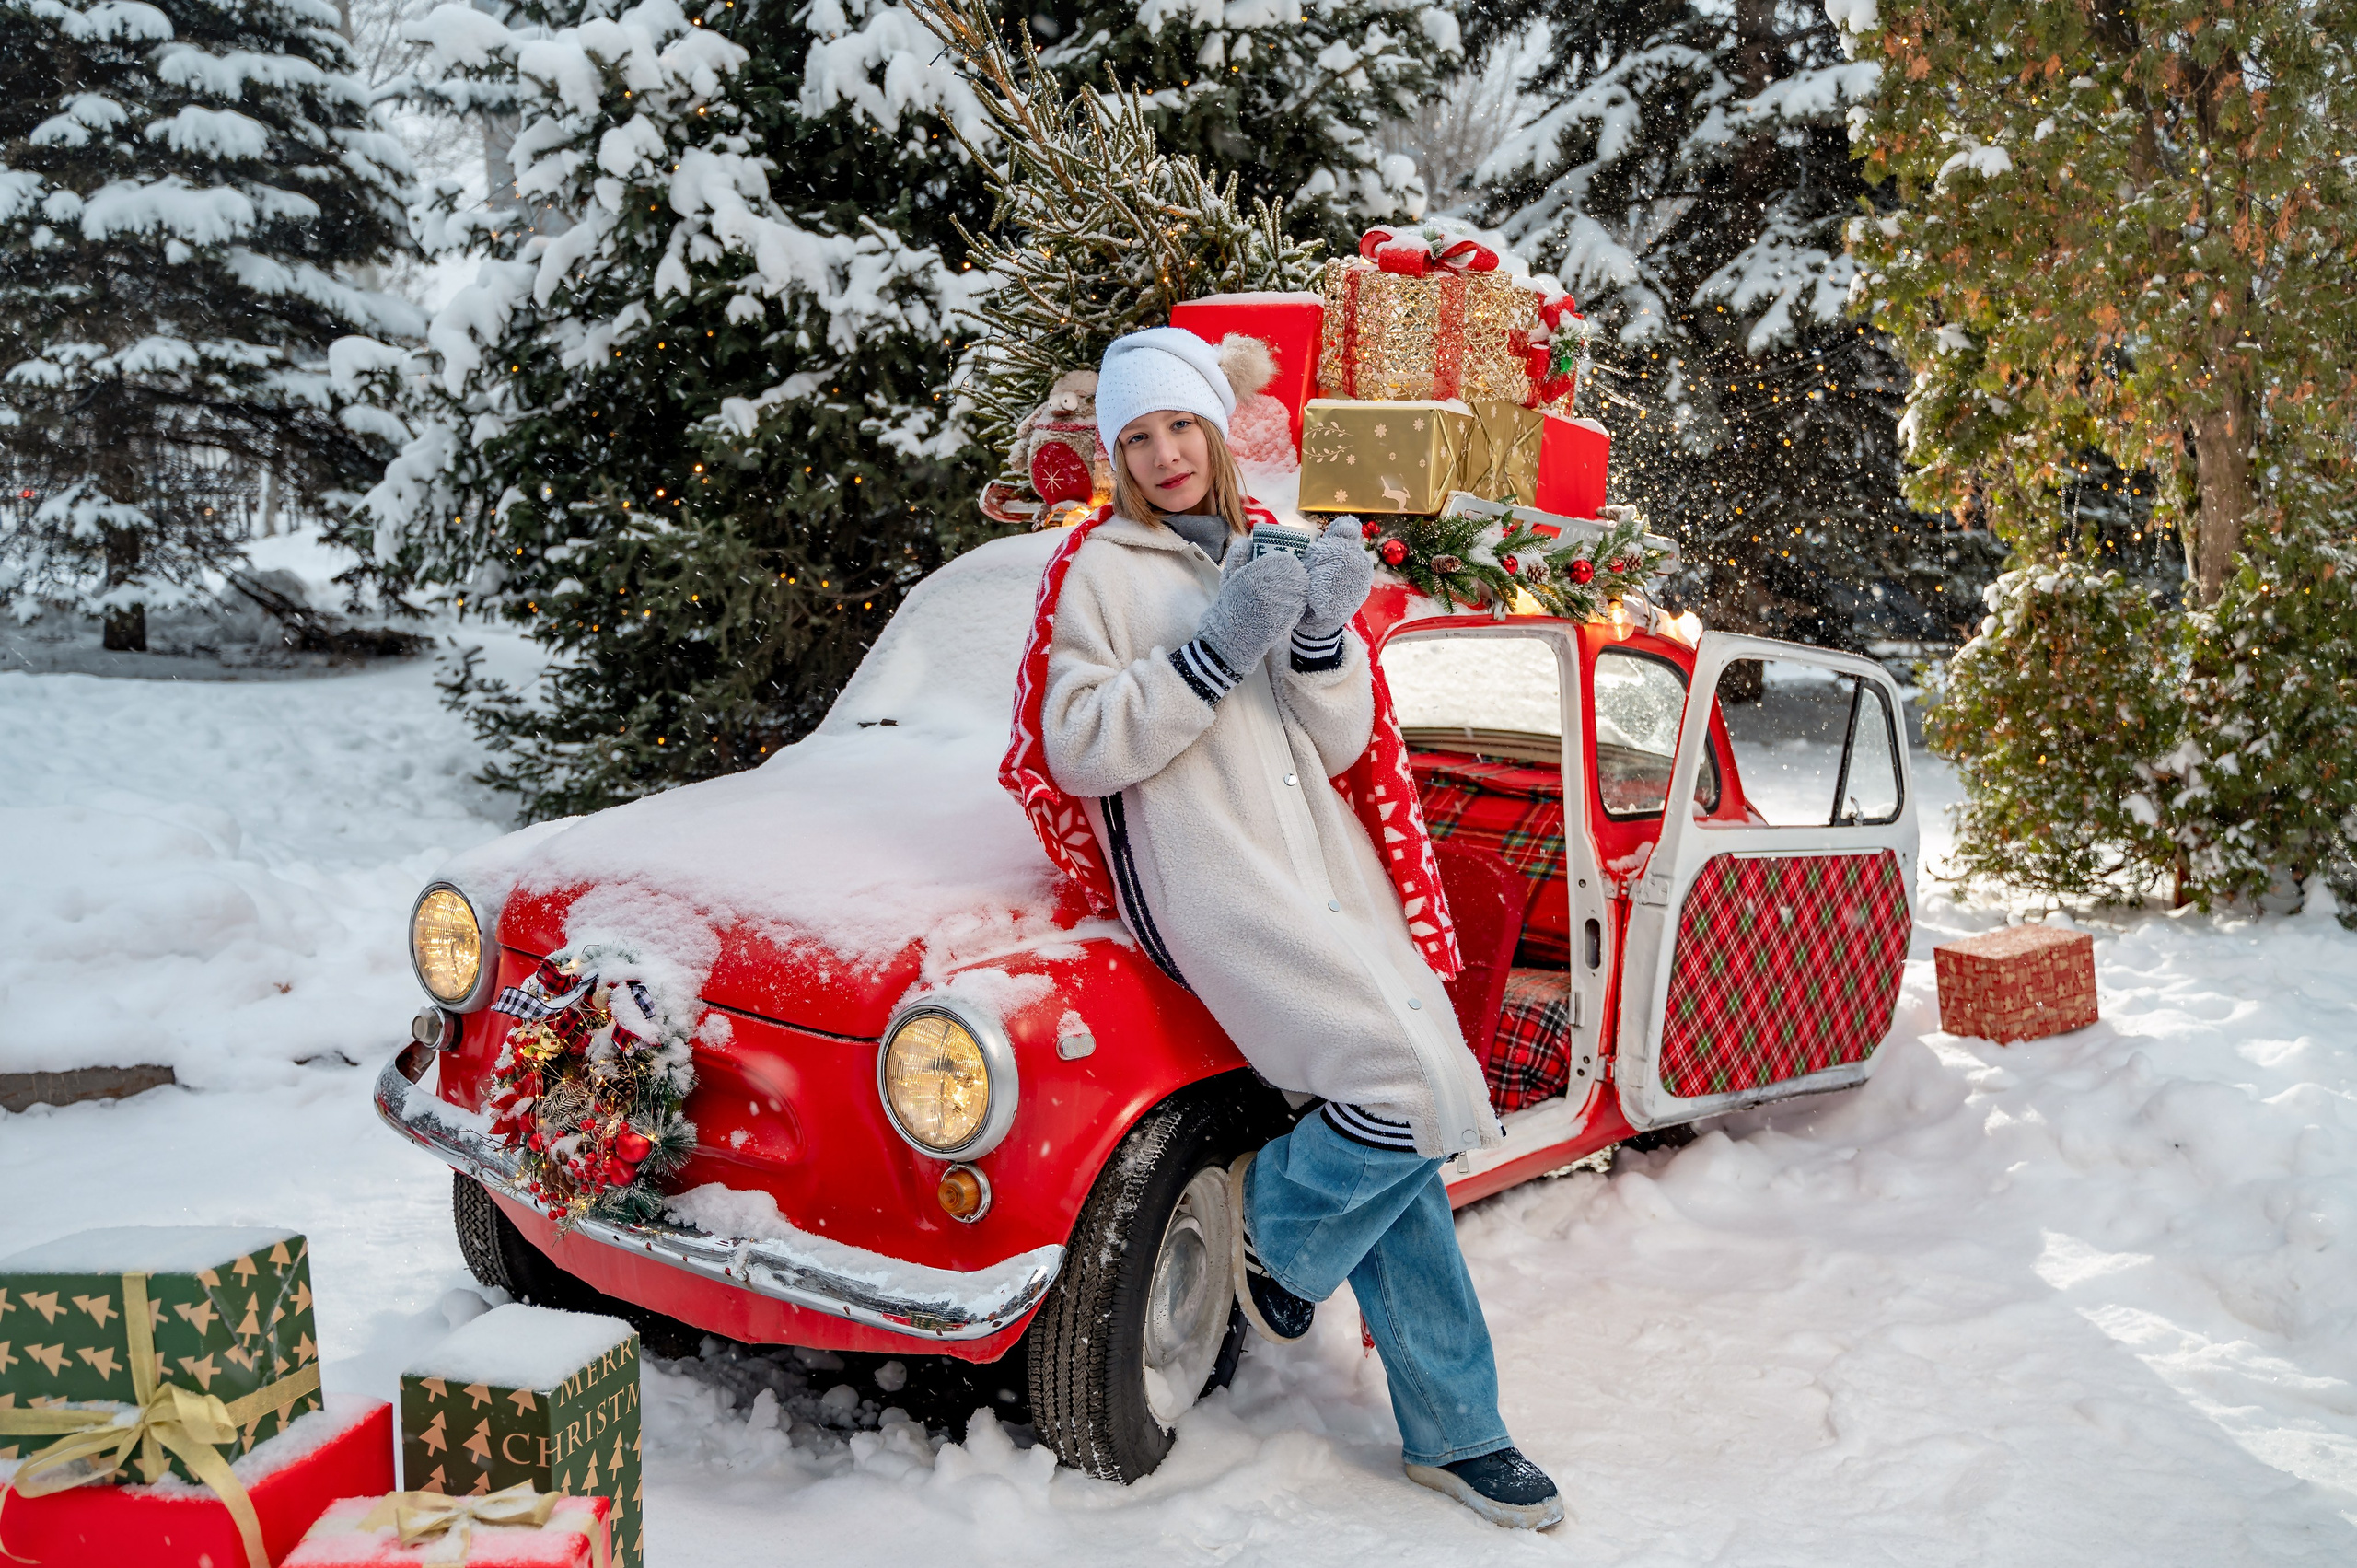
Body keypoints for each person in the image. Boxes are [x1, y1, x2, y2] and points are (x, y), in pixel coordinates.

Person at [1033, 326, 1565, 1530]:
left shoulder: (1263, 543)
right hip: (1217, 890)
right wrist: (1212, 650)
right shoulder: (1100, 570)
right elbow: (1077, 742)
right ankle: (1278, 1231)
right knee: (1403, 1087)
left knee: (1418, 1110)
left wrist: (1320, 638)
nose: (1166, 453)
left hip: (1320, 874)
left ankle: (1454, 1429)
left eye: (1182, 426)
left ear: (1218, 431)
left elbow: (1333, 743)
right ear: (1116, 455)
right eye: (1139, 436)